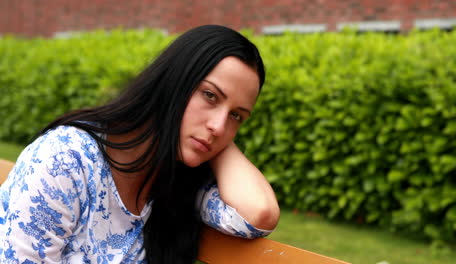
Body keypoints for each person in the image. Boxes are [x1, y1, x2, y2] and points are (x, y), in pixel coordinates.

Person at [0, 25, 280, 263]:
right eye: (209, 95)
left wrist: (213, 135)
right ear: (173, 83)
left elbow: (259, 214)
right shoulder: (66, 160)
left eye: (237, 116)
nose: (219, 126)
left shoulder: (180, 183)